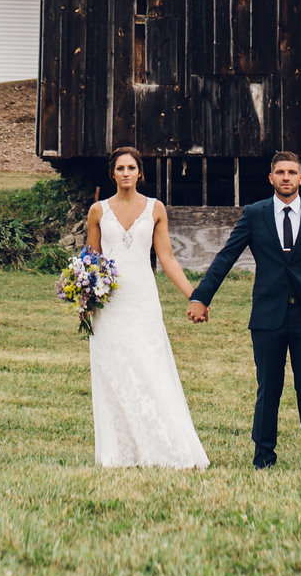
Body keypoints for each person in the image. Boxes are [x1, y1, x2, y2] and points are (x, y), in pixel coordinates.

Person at [187, 150, 301, 470]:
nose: (286, 177)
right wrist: (202, 297)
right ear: (271, 178)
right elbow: (227, 256)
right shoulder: (255, 214)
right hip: (268, 317)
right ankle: (264, 458)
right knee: (268, 388)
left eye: (292, 172)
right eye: (280, 172)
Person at [82, 147, 209, 469]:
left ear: (141, 173)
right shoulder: (98, 211)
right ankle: (121, 452)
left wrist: (195, 295)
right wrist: (84, 298)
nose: (126, 173)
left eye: (131, 168)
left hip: (142, 299)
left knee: (151, 366)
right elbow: (90, 259)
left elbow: (166, 257)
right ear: (112, 173)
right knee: (114, 369)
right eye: (120, 168)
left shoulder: (155, 209)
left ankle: (167, 447)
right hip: (109, 301)